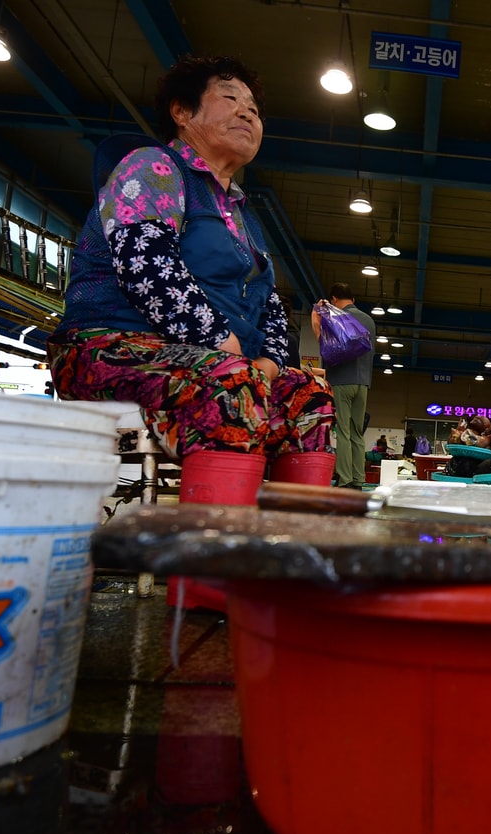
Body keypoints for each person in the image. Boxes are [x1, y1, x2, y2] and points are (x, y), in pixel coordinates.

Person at [47, 54, 335, 610]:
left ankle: (290, 577)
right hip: (105, 349)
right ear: (182, 111)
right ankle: (208, 591)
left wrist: (272, 365)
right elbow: (148, 268)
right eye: (230, 98)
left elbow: (271, 307)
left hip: (206, 364)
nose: (247, 114)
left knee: (308, 396)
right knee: (230, 384)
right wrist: (230, 351)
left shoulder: (241, 214)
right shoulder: (151, 168)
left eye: (254, 108)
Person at [312, 283, 376, 488]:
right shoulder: (369, 320)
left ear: (334, 300)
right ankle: (359, 478)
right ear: (353, 300)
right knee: (357, 432)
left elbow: (324, 344)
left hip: (341, 380)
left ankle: (345, 479)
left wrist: (316, 316)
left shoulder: (335, 316)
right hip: (363, 382)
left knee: (343, 431)